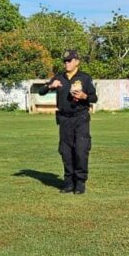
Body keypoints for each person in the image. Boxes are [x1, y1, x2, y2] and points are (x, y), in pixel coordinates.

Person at [38, 49, 97, 194]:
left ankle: (80, 182)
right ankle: (69, 182)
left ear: (77, 61)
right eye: (65, 61)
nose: (66, 63)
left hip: (80, 118)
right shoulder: (59, 77)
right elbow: (41, 91)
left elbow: (94, 98)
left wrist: (84, 96)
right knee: (66, 151)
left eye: (69, 60)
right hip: (64, 119)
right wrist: (50, 86)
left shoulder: (84, 78)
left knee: (81, 150)